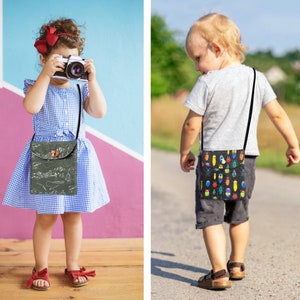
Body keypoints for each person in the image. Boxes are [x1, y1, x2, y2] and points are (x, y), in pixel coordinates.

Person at [180, 13, 300, 290]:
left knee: (210, 217)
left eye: (198, 58)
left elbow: (191, 124)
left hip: (213, 159)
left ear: (217, 48)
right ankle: (237, 264)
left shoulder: (208, 83)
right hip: (245, 159)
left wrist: (185, 151)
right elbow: (279, 115)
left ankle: (219, 272)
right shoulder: (257, 78)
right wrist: (293, 144)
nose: (197, 67)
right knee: (239, 214)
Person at [3, 18, 110, 291]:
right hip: (49, 155)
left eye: (71, 60)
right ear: (44, 59)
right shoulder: (37, 84)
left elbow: (99, 112)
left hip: (77, 154)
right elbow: (31, 106)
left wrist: (92, 79)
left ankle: (73, 264)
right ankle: (41, 267)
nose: (66, 65)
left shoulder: (80, 86)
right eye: (59, 60)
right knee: (47, 216)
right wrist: (46, 76)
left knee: (74, 215)